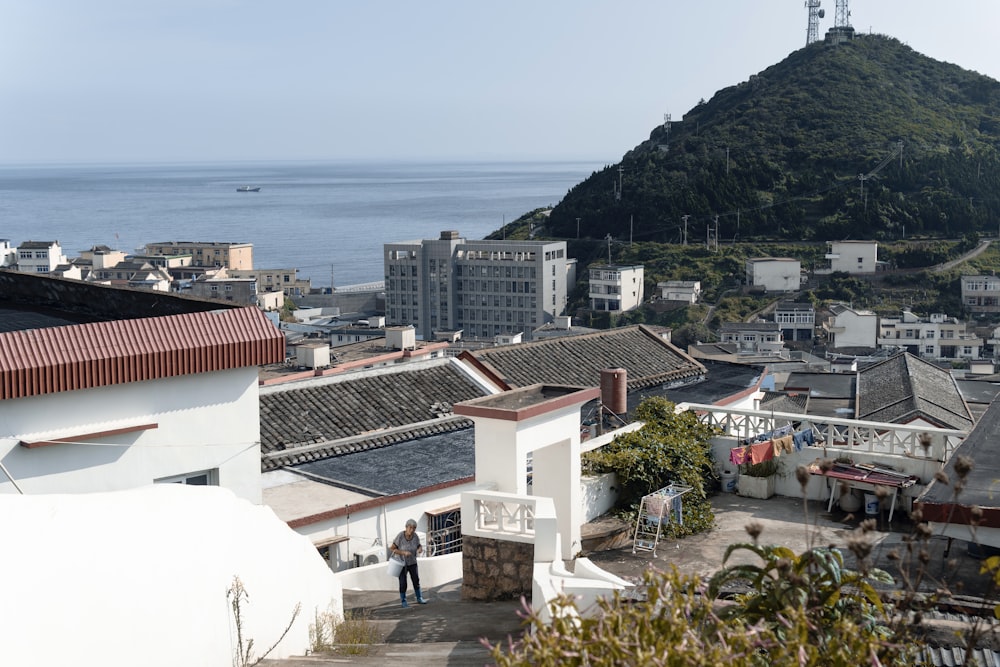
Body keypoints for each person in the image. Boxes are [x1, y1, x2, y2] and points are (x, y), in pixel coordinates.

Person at [390, 518, 427, 607]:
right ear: (406, 527)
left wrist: (420, 549)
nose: (412, 530)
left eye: (414, 528)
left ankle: (419, 598)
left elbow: (418, 545)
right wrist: (403, 553)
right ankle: (403, 601)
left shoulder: (415, 536)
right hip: (402, 563)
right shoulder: (400, 536)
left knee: (416, 580)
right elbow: (392, 548)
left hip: (413, 562)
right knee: (403, 583)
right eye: (410, 528)